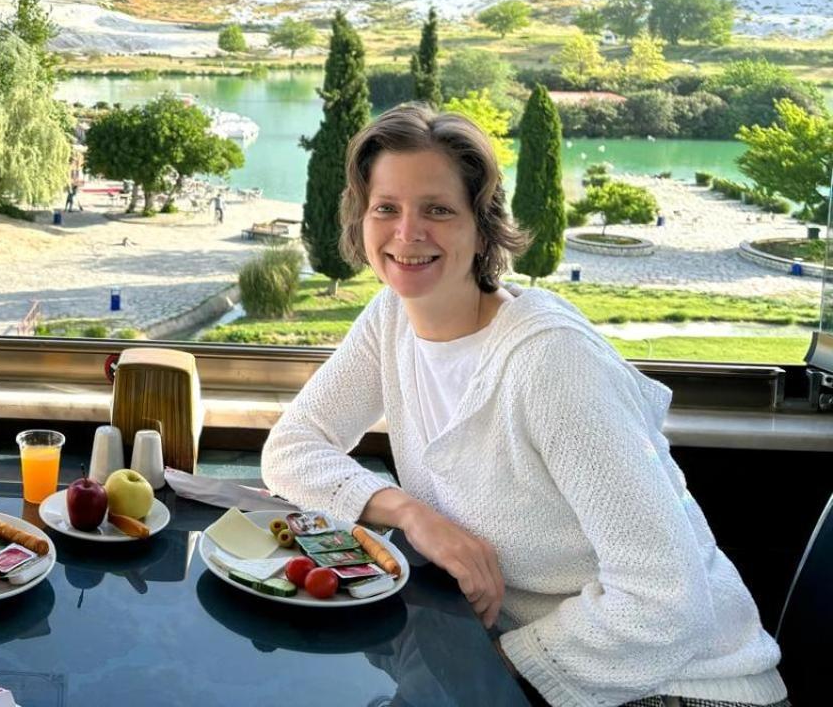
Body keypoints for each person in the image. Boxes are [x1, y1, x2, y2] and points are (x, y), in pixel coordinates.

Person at [261, 105, 786, 707]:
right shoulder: (391, 320)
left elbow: (662, 599)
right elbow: (293, 447)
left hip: (679, 683)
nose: (407, 234)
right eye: (387, 208)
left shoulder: (550, 362)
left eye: (437, 209)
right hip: (556, 664)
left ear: (482, 227)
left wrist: (488, 670)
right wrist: (410, 514)